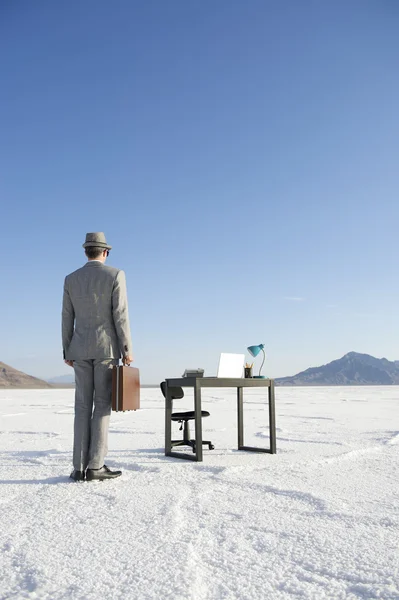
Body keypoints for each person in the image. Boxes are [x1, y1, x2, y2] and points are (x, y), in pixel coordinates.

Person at [62, 232, 133, 482]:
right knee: (101, 406)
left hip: (79, 350)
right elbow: (120, 314)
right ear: (105, 252)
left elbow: (66, 317)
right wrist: (127, 349)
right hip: (106, 350)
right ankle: (96, 466)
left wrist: (66, 349)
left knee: (81, 406)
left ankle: (78, 467)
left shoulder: (71, 279)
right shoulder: (115, 275)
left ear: (85, 252)